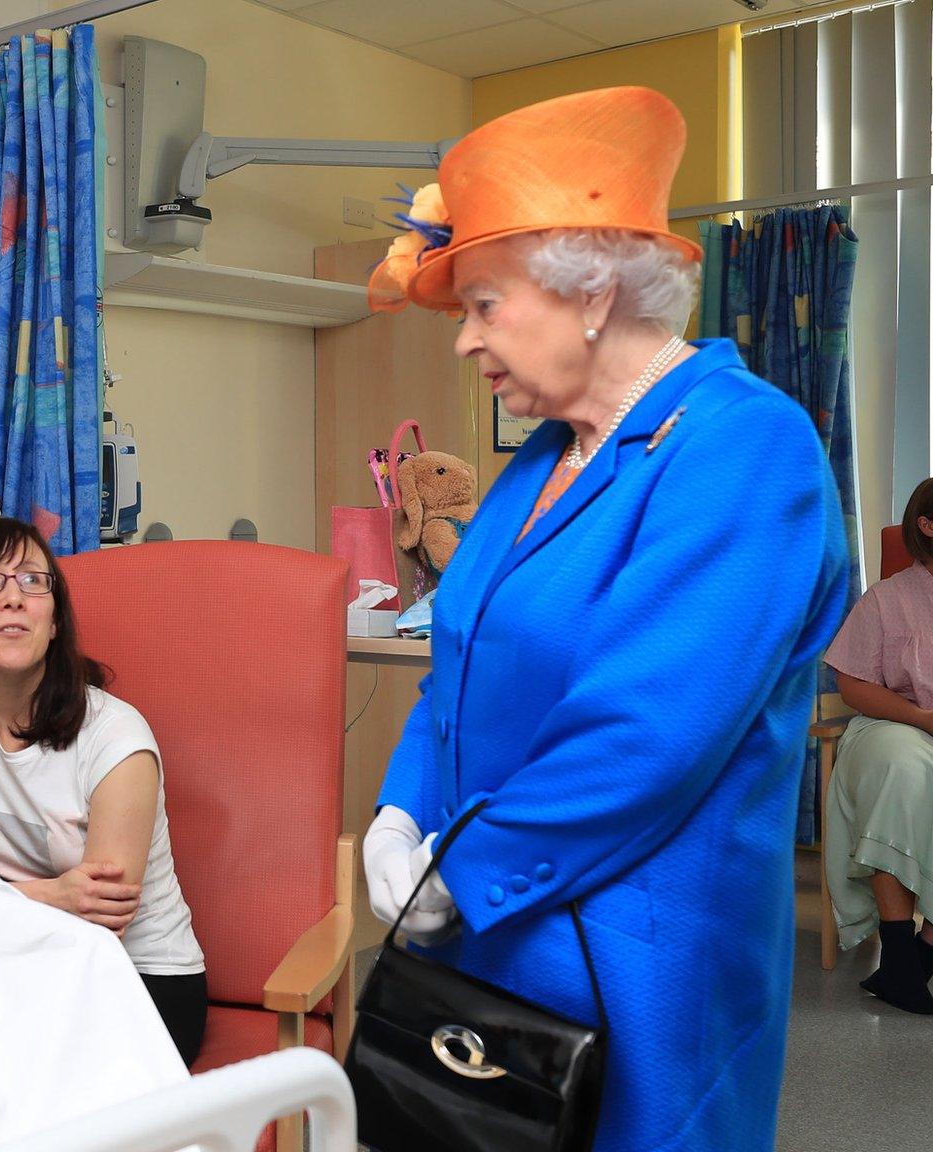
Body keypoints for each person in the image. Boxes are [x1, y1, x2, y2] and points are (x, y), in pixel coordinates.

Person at [361, 87, 849, 1151]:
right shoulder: (537, 460)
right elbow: (455, 663)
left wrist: (465, 869)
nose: (463, 344)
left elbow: (645, 732)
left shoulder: (743, 449)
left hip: (631, 960)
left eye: (481, 305)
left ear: (587, 291)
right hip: (482, 933)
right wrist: (401, 809)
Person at [0, 517, 207, 1067]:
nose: (13, 599)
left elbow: (97, 922)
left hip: (139, 986)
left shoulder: (117, 740)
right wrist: (54, 895)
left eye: (32, 581)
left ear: (53, 624)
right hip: (6, 965)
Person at [823, 476, 933, 1012]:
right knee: (902, 769)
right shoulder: (887, 599)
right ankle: (896, 947)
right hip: (892, 723)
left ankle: (921, 954)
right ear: (927, 526)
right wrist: (922, 718)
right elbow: (853, 685)